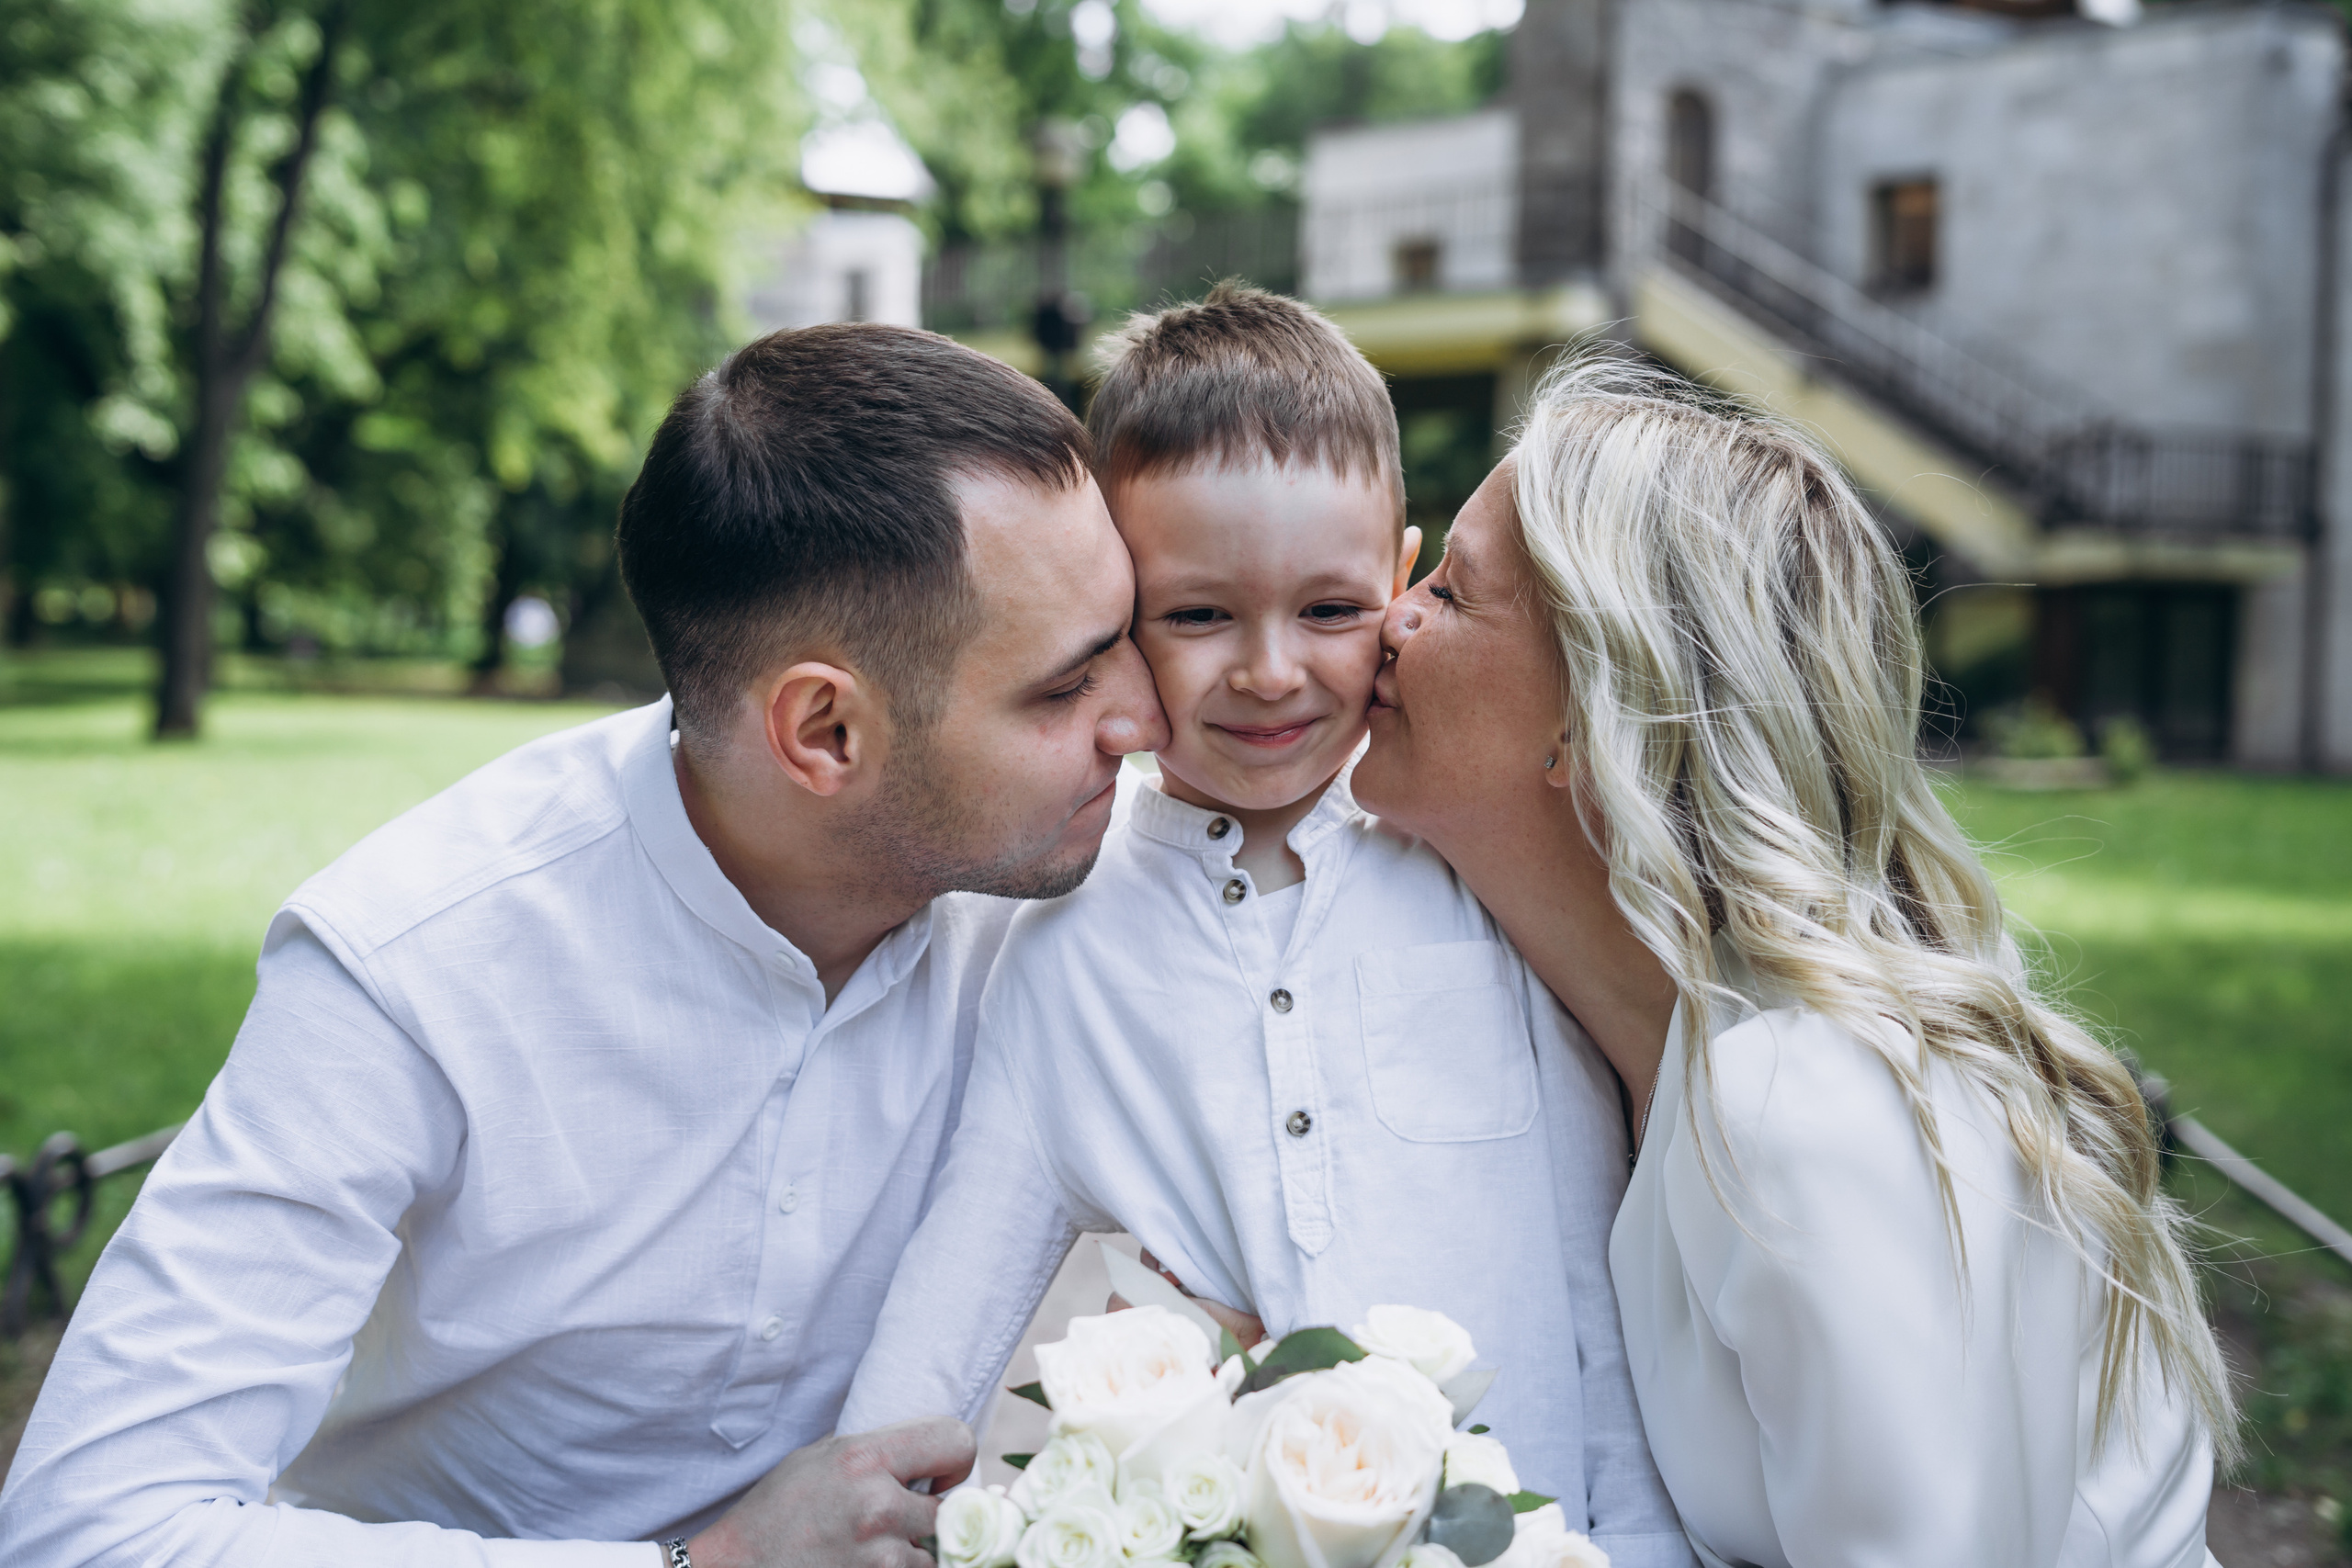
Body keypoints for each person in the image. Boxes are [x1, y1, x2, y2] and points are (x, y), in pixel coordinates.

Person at [0, 325, 1170, 1568]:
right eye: (1063, 689)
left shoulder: (1096, 867)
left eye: (1133, 638)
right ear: (824, 732)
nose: (1145, 719)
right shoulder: (416, 965)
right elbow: (90, 1527)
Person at [835, 287, 1692, 1567]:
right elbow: (942, 1332)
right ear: (1115, 604)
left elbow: (1599, 1293)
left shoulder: (1475, 871)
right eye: (1197, 616)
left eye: (1332, 611)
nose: (1272, 671)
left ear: (1401, 584)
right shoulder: (1065, 944)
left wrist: (1638, 1546)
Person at [1353, 357, 2234, 1567]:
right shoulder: (1631, 1042)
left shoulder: (1803, 1101)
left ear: (1598, 711)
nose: (1383, 615)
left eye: (1451, 593)